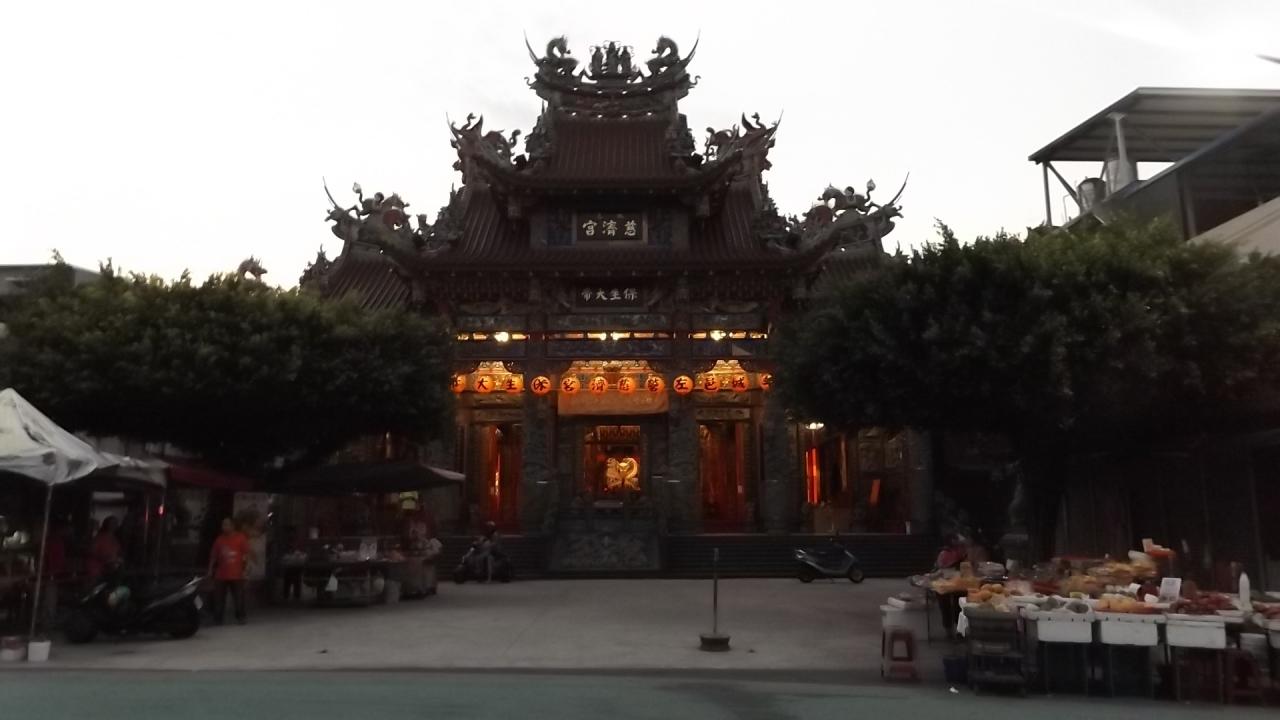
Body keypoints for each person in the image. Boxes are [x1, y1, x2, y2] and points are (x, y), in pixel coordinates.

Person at [207, 517, 253, 625]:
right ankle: (218, 618)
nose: (224, 527)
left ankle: (241, 616)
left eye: (227, 524)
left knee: (239, 597)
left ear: (232, 526)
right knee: (219, 598)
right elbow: (213, 556)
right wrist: (210, 570)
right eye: (223, 525)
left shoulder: (240, 538)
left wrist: (246, 568)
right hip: (221, 574)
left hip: (236, 574)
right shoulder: (219, 540)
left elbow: (247, 554)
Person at [87, 516, 122, 583]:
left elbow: (117, 553)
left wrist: (117, 559)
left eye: (115, 523)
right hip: (98, 567)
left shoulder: (115, 539)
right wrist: (103, 557)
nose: (114, 525)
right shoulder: (99, 538)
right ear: (107, 524)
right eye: (112, 523)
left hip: (111, 567)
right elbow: (91, 552)